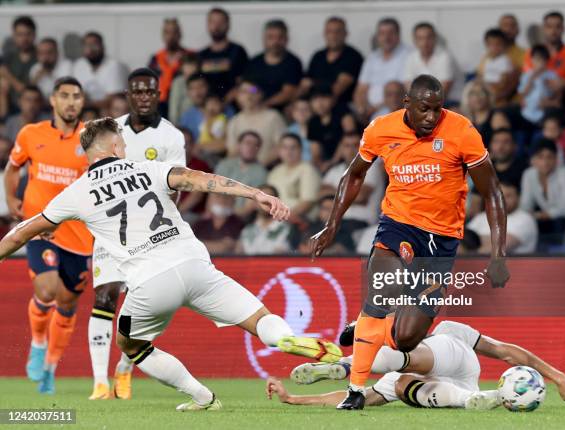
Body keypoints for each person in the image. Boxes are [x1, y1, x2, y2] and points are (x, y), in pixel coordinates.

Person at [0, 117, 342, 411]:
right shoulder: (149, 168)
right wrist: (257, 194)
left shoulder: (77, 192)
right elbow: (202, 180)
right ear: (118, 146)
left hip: (149, 282)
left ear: (88, 154)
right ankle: (285, 339)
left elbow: (20, 233)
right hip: (195, 265)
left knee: (131, 346)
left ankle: (202, 396)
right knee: (259, 319)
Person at [310, 74, 509, 410]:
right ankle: (355, 390)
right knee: (380, 293)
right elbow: (354, 174)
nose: (431, 117)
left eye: (437, 109)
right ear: (407, 104)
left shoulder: (462, 132)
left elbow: (492, 193)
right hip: (398, 226)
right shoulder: (380, 129)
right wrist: (332, 224)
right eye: (424, 109)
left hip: (442, 241)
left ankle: (371, 328)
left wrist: (498, 254)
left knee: (406, 339)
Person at [87, 68, 187, 401]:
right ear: (128, 95)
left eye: (149, 91)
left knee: (140, 305)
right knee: (104, 297)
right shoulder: (111, 131)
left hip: (152, 233)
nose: (143, 96)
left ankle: (124, 369)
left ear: (158, 94)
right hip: (111, 229)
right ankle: (100, 384)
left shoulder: (171, 137)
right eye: (137, 91)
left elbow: (178, 183)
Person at [268, 320, 565, 411]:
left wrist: (558, 376)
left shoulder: (450, 330)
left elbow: (505, 352)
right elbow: (358, 397)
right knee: (397, 385)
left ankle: (345, 363)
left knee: (411, 358)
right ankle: (486, 400)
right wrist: (293, 399)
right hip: (461, 392)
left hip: (458, 364)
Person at [3, 77, 93, 394]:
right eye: (65, 96)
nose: (71, 102)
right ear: (53, 100)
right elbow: (13, 168)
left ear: (83, 102)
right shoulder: (31, 134)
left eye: (77, 97)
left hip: (80, 234)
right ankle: (38, 344)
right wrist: (12, 198)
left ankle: (50, 368)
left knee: (67, 306)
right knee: (48, 287)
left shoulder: (92, 139)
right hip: (41, 226)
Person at [520, 139, 565, 246]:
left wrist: (542, 215)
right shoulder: (528, 174)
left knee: (558, 222)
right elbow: (525, 205)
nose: (545, 162)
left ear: (556, 159)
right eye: (540, 157)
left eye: (549, 157)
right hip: (550, 219)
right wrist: (531, 215)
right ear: (533, 160)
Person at [321, 133, 384, 227]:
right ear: (341, 149)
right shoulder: (334, 170)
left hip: (360, 221)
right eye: (347, 146)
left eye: (355, 145)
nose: (351, 150)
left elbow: (360, 197)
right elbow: (320, 193)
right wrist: (349, 194)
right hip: (336, 221)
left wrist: (332, 192)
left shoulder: (371, 168)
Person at [299, 16, 363, 108]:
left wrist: (314, 84)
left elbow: (337, 89)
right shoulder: (318, 56)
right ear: (324, 34)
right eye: (329, 32)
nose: (333, 36)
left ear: (345, 34)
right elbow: (304, 85)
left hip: (342, 106)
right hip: (314, 104)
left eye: (337, 32)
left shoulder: (353, 57)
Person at [353, 18, 410, 120]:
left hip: (396, 111)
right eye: (382, 33)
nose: (386, 37)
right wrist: (361, 109)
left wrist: (374, 108)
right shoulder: (372, 57)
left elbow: (400, 91)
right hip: (370, 113)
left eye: (390, 33)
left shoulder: (408, 55)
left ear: (398, 35)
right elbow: (360, 90)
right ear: (378, 37)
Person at [244, 19, 303, 111]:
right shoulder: (254, 62)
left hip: (281, 111)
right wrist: (254, 92)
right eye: (271, 37)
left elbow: (287, 93)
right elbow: (249, 87)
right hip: (254, 107)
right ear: (264, 39)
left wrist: (264, 105)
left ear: (286, 39)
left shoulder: (293, 63)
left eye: (280, 37)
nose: (275, 42)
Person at [226, 81, 286, 167]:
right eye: (244, 92)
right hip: (242, 172)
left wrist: (259, 166)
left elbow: (282, 146)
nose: (249, 95)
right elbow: (232, 152)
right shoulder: (235, 121)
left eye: (253, 90)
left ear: (260, 94)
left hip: (268, 168)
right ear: (238, 96)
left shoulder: (273, 117)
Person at [469, 182, 537, 254]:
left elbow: (500, 246)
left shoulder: (525, 219)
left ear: (518, 198)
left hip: (514, 264)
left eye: (508, 196)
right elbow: (462, 241)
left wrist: (473, 245)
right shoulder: (481, 217)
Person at [404, 22, 463, 105]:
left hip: (450, 103)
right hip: (423, 104)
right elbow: (409, 87)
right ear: (415, 40)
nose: (425, 42)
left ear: (435, 38)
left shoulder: (445, 56)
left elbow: (442, 90)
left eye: (428, 38)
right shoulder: (411, 57)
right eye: (420, 38)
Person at [267, 133, 321, 221]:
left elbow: (307, 203)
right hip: (277, 220)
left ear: (301, 150)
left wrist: (281, 219)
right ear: (279, 150)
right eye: (285, 148)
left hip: (301, 221)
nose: (289, 152)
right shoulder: (274, 172)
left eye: (293, 148)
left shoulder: (308, 170)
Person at [199, 7, 248, 101]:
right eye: (213, 22)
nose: (216, 26)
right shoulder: (202, 55)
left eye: (220, 22)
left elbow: (243, 83)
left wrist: (224, 102)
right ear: (208, 25)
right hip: (206, 107)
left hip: (233, 106)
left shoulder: (238, 51)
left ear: (228, 25)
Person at [214, 131, 268, 218]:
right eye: (247, 143)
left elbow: (251, 205)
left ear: (259, 149)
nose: (251, 147)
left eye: (255, 145)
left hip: (240, 218)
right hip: (216, 213)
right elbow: (212, 192)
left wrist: (230, 217)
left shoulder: (261, 172)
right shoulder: (224, 164)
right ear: (239, 145)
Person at [72, 32, 128, 108]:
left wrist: (87, 105)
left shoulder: (115, 65)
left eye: (94, 45)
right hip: (87, 109)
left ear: (102, 47)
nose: (90, 49)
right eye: (87, 45)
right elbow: (78, 93)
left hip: (108, 109)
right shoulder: (79, 65)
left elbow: (112, 99)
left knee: (119, 104)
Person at [523, 11, 565, 85]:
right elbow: (526, 81)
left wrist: (564, 83)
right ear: (543, 28)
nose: (553, 31)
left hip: (564, 94)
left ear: (563, 29)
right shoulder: (531, 52)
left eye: (558, 27)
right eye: (549, 26)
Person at [148, 18, 191, 114]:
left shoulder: (188, 56)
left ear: (180, 34)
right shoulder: (156, 59)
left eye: (174, 32)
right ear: (162, 35)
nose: (171, 36)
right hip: (160, 105)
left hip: (182, 104)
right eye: (167, 32)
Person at [236, 185, 291, 255]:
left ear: (277, 202)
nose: (266, 202)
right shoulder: (246, 231)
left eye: (270, 198)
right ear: (254, 202)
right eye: (263, 198)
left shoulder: (289, 230)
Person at [0, 16, 37, 109]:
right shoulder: (9, 57)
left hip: (34, 107)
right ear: (14, 36)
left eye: (28, 34)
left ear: (34, 35)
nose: (24, 39)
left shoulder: (41, 56)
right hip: (11, 107)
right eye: (20, 34)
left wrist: (11, 79)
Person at [518, 44, 560, 125]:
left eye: (542, 59)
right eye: (537, 59)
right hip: (527, 111)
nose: (540, 62)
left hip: (544, 110)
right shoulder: (527, 75)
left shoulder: (552, 75)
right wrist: (532, 77)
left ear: (547, 61)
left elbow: (557, 95)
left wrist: (550, 86)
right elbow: (523, 93)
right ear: (532, 60)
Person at [307, 85, 346, 169]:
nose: (320, 103)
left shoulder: (343, 114)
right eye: (315, 99)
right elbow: (315, 150)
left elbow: (348, 139)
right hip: (326, 163)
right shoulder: (313, 122)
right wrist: (319, 164)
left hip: (347, 161)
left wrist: (332, 162)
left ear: (332, 99)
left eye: (324, 98)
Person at [477, 28, 516, 107]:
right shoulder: (485, 60)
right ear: (486, 45)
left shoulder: (505, 61)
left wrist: (490, 88)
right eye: (491, 44)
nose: (495, 47)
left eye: (498, 44)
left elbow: (504, 82)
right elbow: (480, 76)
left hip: (498, 97)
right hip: (484, 92)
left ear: (504, 45)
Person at [459, 81, 495, 145]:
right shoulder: (464, 119)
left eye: (481, 92)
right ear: (467, 98)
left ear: (488, 96)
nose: (477, 97)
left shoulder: (496, 117)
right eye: (473, 93)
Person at [168, 53, 200, 124]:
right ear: (181, 67)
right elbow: (174, 106)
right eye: (187, 65)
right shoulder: (178, 82)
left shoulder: (201, 81)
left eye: (193, 65)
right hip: (181, 122)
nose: (190, 68)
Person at [179, 72, 210, 142]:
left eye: (201, 86)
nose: (197, 92)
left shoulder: (224, 110)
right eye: (192, 88)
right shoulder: (186, 117)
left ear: (208, 87)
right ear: (188, 92)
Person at [286, 97, 313, 162]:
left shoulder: (318, 129)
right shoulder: (289, 131)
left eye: (305, 109)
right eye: (298, 109)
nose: (301, 112)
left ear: (312, 112)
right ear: (293, 112)